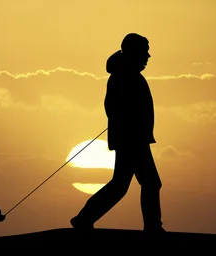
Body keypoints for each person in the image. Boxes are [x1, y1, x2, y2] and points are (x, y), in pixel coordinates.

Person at [70, 33, 165, 234]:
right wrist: (128, 121)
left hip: (131, 138)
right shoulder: (124, 76)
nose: (148, 56)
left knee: (121, 185)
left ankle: (84, 218)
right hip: (132, 139)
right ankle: (153, 227)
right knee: (149, 182)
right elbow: (112, 106)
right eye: (144, 51)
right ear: (134, 52)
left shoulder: (126, 74)